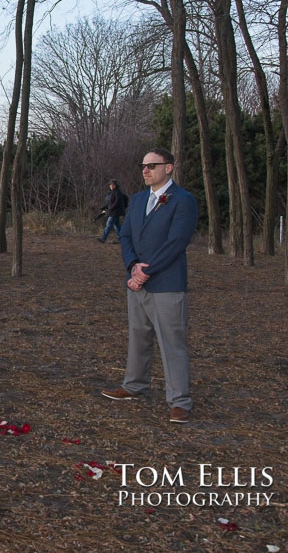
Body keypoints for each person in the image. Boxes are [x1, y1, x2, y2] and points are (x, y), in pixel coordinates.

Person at [102, 147, 198, 424]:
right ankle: (134, 385)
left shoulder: (183, 201)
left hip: (166, 283)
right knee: (138, 336)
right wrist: (132, 266)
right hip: (136, 282)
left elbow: (177, 242)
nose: (145, 170)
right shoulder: (139, 199)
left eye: (152, 165)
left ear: (169, 167)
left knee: (172, 343)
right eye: (143, 166)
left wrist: (148, 271)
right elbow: (127, 235)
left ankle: (179, 400)